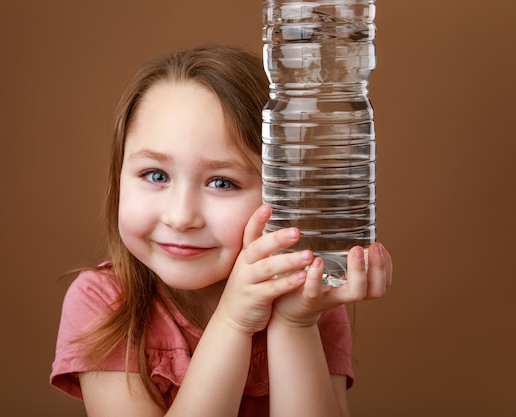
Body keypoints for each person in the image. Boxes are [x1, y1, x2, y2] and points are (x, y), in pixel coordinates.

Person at [50, 45, 392, 417]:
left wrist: (295, 324)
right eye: (156, 175)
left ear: (285, 193)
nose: (181, 218)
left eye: (222, 183)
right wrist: (233, 321)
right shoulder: (103, 303)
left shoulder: (307, 300)